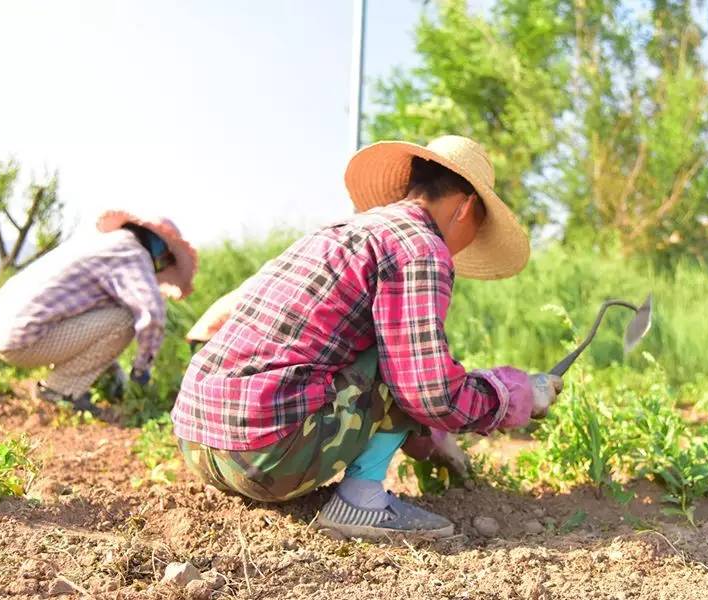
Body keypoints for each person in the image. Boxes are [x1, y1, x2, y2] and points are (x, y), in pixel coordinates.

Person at [174, 135, 563, 539]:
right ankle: (360, 501)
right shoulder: (421, 247)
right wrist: (517, 394)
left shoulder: (339, 232)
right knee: (403, 350)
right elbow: (426, 389)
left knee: (392, 339)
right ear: (465, 208)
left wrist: (432, 436)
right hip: (264, 458)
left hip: (198, 443)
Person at [0, 210, 198, 414]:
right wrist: (142, 370)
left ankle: (98, 381)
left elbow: (88, 323)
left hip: (4, 333)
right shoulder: (132, 253)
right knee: (125, 319)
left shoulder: (106, 245)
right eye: (166, 260)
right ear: (159, 248)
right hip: (23, 342)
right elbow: (151, 315)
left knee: (113, 312)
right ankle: (59, 390)